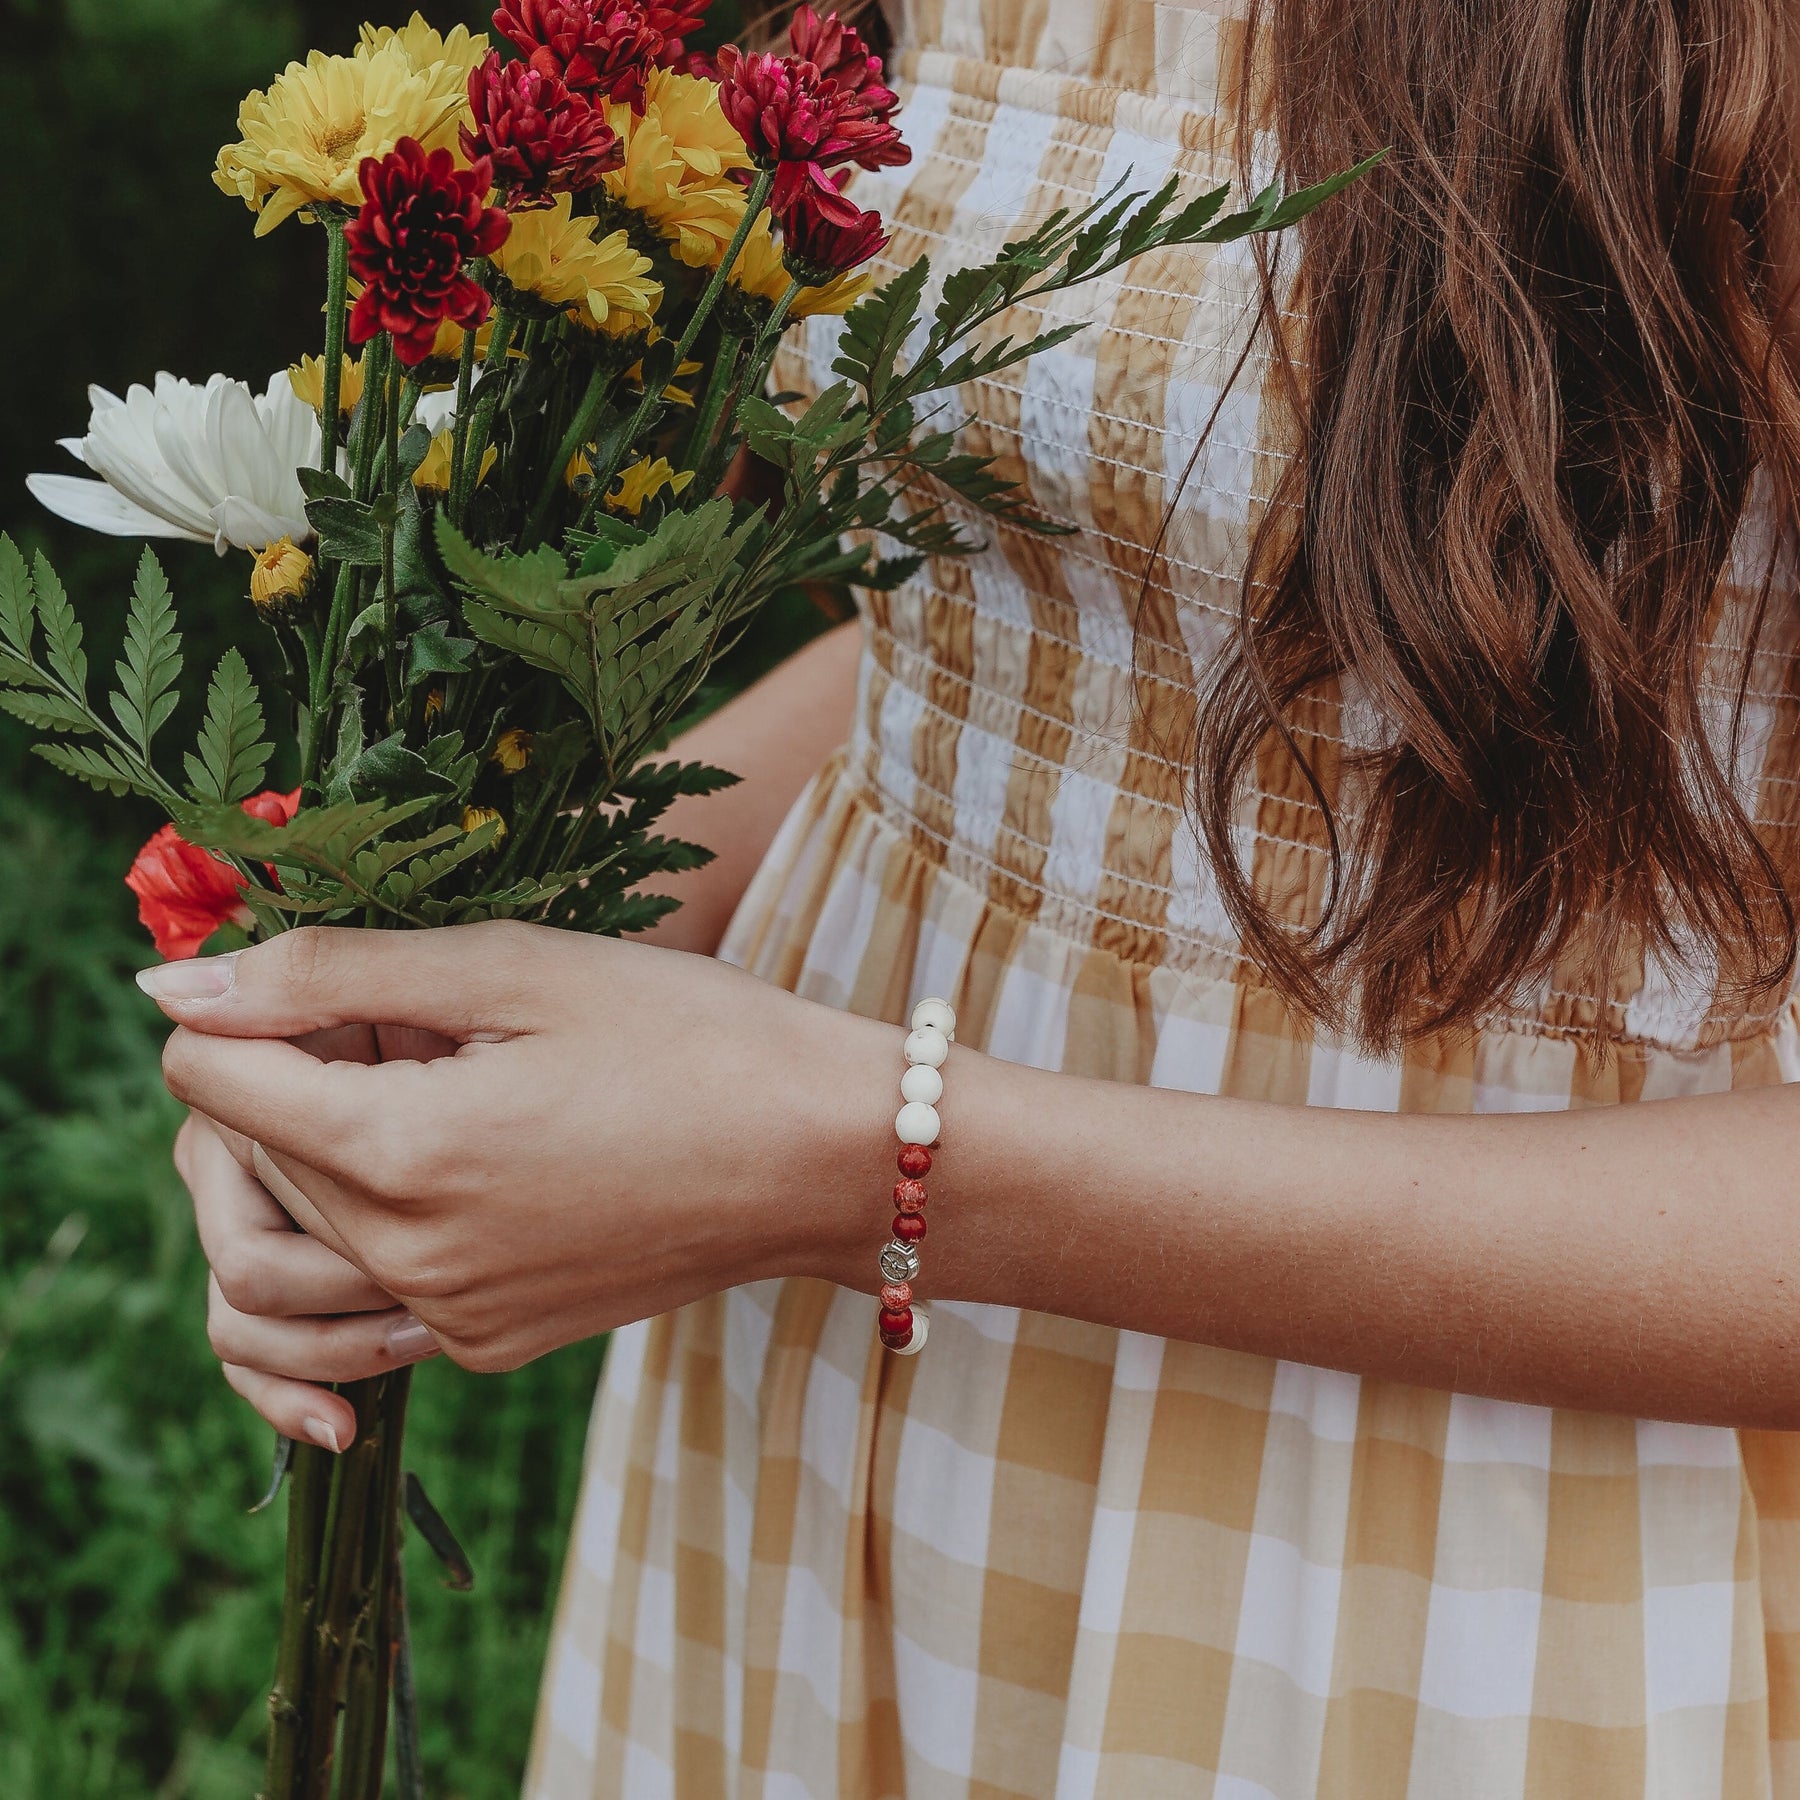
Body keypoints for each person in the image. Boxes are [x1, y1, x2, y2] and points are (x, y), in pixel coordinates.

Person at [140, 0, 1800, 1792]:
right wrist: (498, 964)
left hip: (1452, 1526)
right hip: (843, 1415)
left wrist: (867, 1158)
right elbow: (1048, 627)